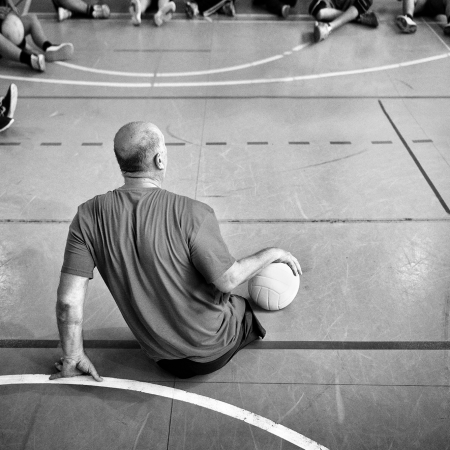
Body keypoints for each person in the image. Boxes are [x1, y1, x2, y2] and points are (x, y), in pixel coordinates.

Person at [49, 122, 302, 381]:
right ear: (160, 160)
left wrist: (72, 356)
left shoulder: (88, 216)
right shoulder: (192, 213)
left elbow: (68, 301)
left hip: (162, 358)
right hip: (211, 352)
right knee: (241, 304)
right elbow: (229, 280)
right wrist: (272, 253)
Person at [0, 0, 73, 72]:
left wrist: (11, 8)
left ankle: (48, 47)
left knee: (31, 19)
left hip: (4, 29)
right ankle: (30, 59)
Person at [309, 0, 379, 43]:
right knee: (318, 12)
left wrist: (329, 27)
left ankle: (329, 27)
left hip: (352, 4)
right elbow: (314, 9)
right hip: (333, 2)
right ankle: (359, 18)